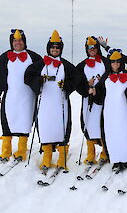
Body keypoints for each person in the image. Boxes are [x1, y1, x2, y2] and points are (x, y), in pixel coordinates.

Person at [24, 30, 79, 170]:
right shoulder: (41, 64)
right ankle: (47, 156)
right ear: (48, 48)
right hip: (45, 104)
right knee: (46, 127)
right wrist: (39, 81)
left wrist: (66, 85)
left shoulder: (66, 65)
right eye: (52, 48)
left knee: (61, 128)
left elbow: (76, 80)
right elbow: (28, 76)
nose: (55, 50)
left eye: (57, 48)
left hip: (60, 103)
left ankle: (62, 157)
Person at [95, 49, 127, 172]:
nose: (115, 65)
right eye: (113, 62)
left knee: (125, 134)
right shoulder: (106, 76)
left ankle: (126, 158)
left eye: (117, 62)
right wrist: (94, 92)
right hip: (110, 112)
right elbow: (99, 91)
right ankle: (116, 159)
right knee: (112, 135)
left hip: (124, 111)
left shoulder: (126, 75)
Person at [0, 29, 41, 162]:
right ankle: (5, 151)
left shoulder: (34, 57)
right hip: (10, 95)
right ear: (11, 42)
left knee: (25, 121)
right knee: (7, 122)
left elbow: (42, 71)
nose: (18, 43)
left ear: (24, 42)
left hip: (27, 97)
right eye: (15, 40)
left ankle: (21, 151)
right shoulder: (4, 57)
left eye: (20, 40)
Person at [76, 36, 109, 164]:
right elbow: (77, 82)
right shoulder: (81, 65)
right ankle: (90, 154)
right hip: (88, 100)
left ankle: (105, 152)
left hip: (102, 99)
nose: (92, 49)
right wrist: (86, 87)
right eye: (90, 47)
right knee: (88, 124)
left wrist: (99, 88)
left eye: (94, 47)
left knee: (102, 124)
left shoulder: (106, 62)